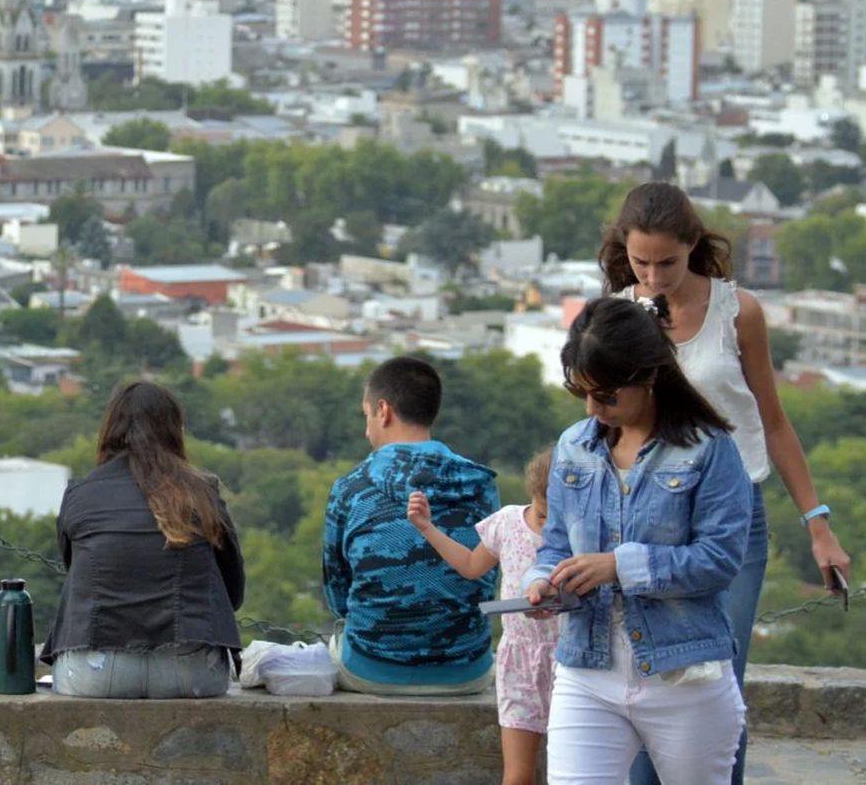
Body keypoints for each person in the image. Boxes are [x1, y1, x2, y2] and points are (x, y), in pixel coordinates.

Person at [599, 181, 852, 785]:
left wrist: (818, 524)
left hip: (733, 516)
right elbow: (601, 425)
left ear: (693, 245)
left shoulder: (738, 311)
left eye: (668, 261)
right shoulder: (618, 315)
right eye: (641, 262)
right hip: (646, 518)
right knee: (645, 678)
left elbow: (773, 420)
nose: (655, 275)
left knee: (717, 688)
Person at [526, 295, 754, 784]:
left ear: (648, 376)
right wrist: (545, 581)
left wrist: (619, 566)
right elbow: (556, 545)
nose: (593, 409)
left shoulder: (709, 449)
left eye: (606, 395)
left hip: (684, 672)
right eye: (581, 393)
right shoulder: (573, 447)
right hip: (587, 667)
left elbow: (720, 560)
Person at [41, 381, 244, 698]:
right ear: (174, 430)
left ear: (109, 429)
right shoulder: (202, 492)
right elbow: (232, 594)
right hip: (191, 669)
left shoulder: (80, 494)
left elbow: (75, 572)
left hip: (98, 668)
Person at [323, 356, 500, 695]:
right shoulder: (480, 484)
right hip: (467, 668)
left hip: (371, 668)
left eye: (366, 415)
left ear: (383, 410)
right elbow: (486, 577)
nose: (366, 428)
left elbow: (337, 592)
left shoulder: (350, 488)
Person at [408, 448, 558, 785]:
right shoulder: (507, 521)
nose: (550, 526)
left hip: (570, 657)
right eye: (543, 515)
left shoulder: (580, 532)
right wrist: (427, 529)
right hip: (519, 660)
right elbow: (472, 566)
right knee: (517, 776)